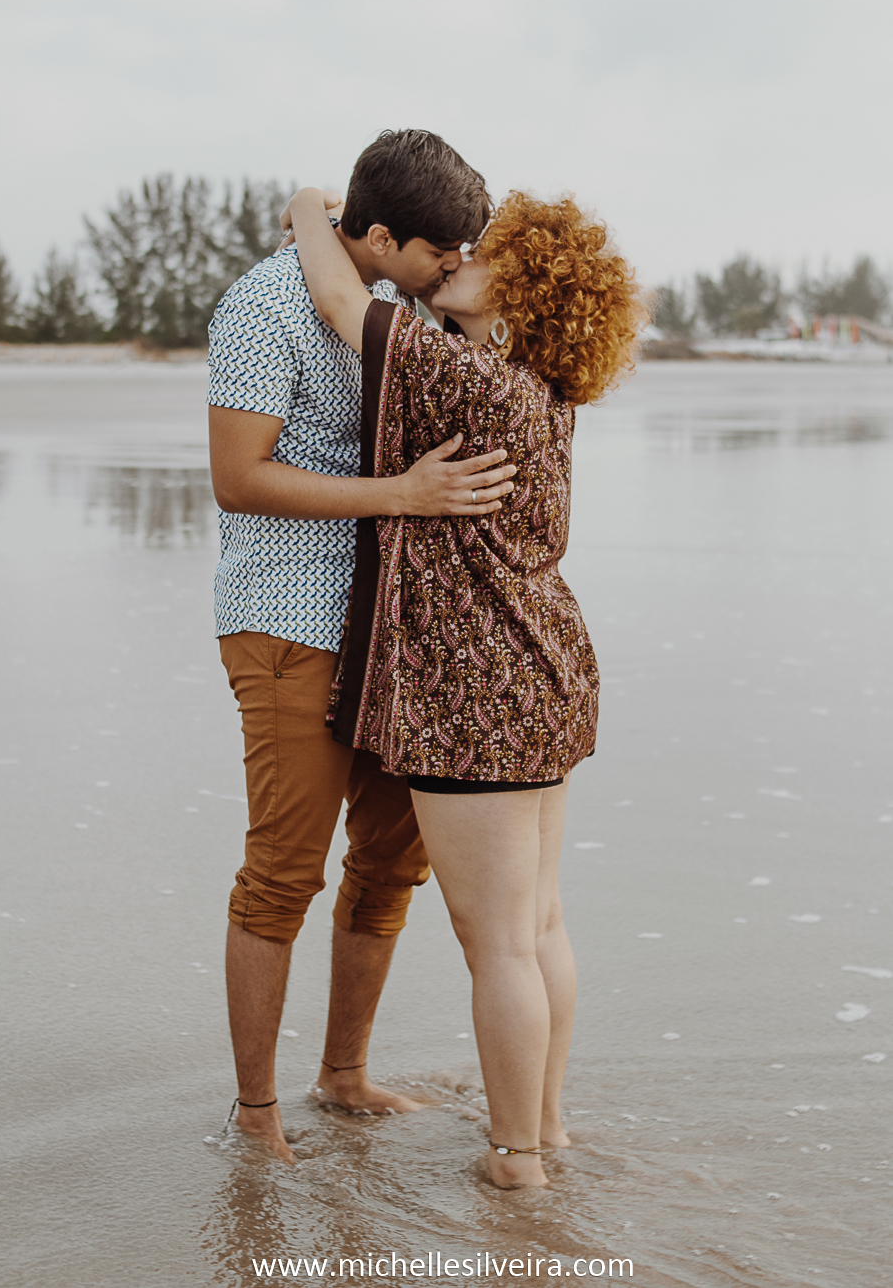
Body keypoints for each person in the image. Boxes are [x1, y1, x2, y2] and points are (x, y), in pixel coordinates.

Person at [286, 183, 644, 1187]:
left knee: (498, 947)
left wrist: (312, 209)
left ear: (523, 292)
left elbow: (340, 303)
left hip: (475, 692)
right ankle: (549, 1127)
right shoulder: (541, 389)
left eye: (490, 252)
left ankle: (515, 1157)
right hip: (548, 675)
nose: (465, 255)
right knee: (538, 927)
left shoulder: (465, 378)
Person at [207, 130, 517, 1165]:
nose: (455, 269)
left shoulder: (408, 307)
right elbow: (239, 478)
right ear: (381, 236)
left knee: (389, 866)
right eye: (442, 252)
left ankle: (342, 1078)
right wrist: (401, 496)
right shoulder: (263, 308)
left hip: (400, 634)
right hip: (290, 620)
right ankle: (256, 1115)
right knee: (282, 874)